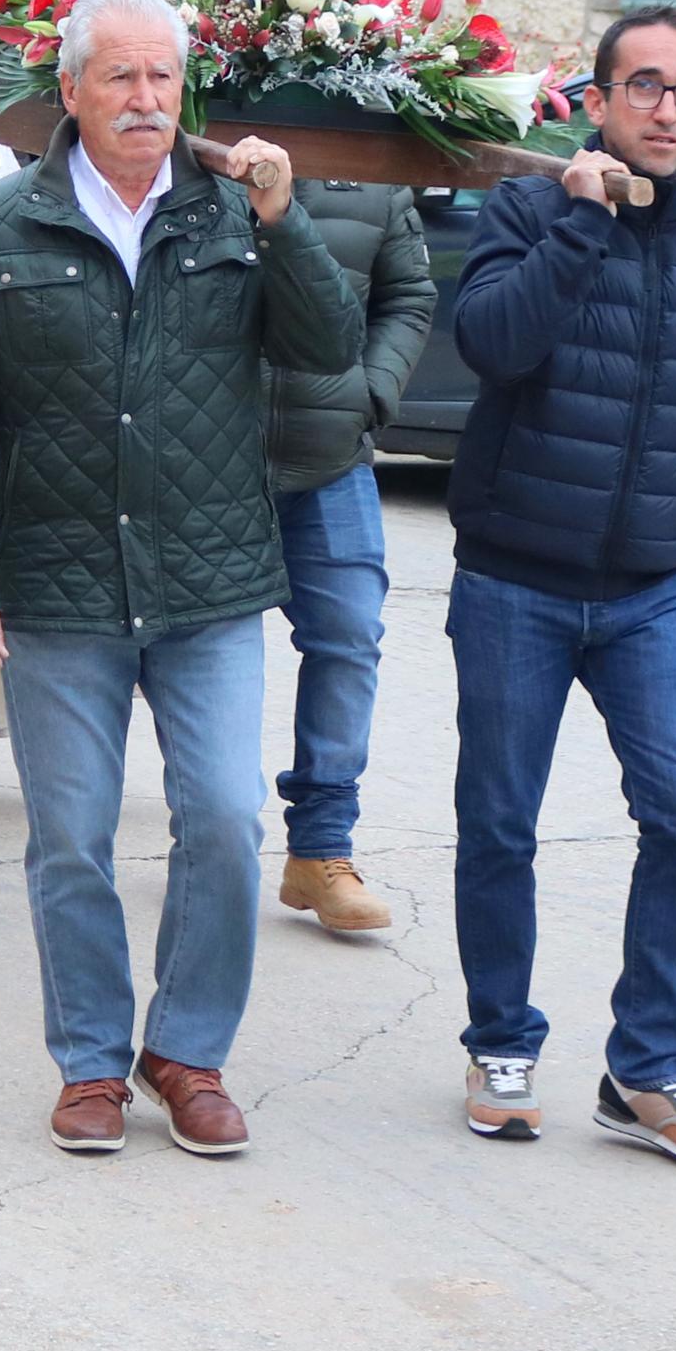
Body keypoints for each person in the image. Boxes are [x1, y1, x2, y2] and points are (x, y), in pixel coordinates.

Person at [0, 0, 351, 1158]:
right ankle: (91, 1061)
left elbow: (326, 347)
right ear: (70, 94)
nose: (144, 99)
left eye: (161, 78)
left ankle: (186, 1049)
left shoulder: (233, 212)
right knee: (70, 838)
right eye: (119, 78)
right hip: (57, 585)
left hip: (206, 582)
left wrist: (285, 221)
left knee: (222, 816)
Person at [442, 11, 676, 1166]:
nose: (667, 109)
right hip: (514, 576)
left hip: (650, 592)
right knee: (499, 822)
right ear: (597, 102)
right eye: (644, 87)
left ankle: (647, 1072)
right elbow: (493, 345)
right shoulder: (526, 212)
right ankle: (500, 1042)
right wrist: (579, 221)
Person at [261, 179, 435, 934]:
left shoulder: (377, 174)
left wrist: (370, 392)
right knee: (189, 648)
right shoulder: (209, 129)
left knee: (349, 640)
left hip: (331, 456)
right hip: (205, 457)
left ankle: (320, 849)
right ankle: (207, 831)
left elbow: (407, 295)